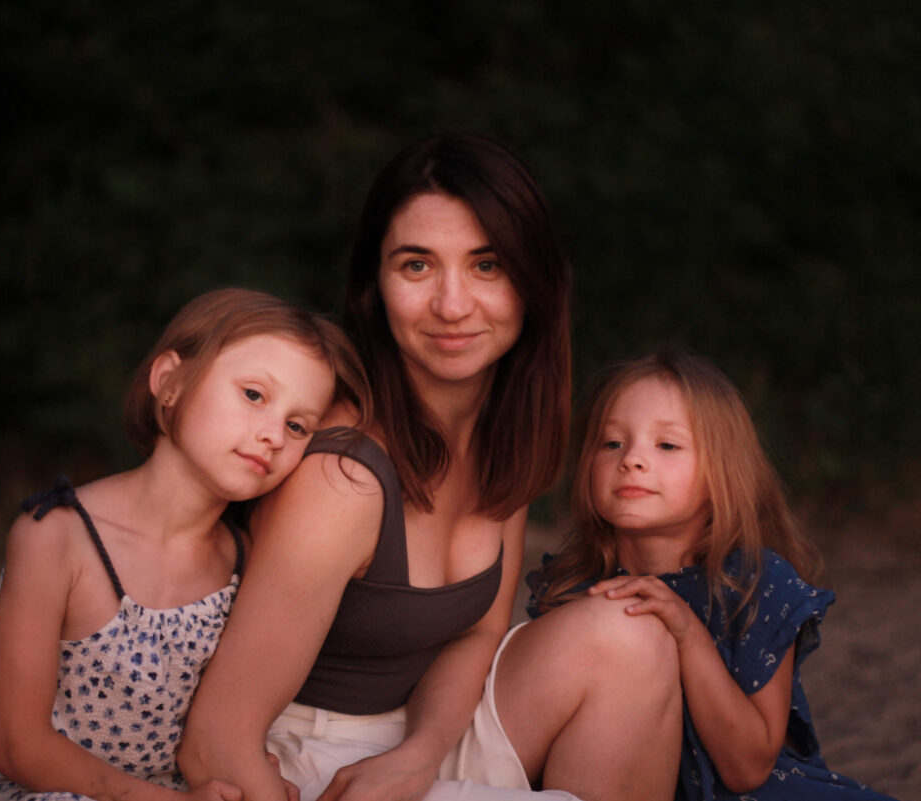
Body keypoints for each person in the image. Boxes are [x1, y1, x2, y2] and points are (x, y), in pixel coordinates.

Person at [179, 131, 682, 801]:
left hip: (425, 732)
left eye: (487, 265)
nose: (452, 304)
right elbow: (214, 741)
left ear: (533, 282)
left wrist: (420, 753)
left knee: (634, 639)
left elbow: (477, 632)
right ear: (374, 286)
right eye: (417, 266)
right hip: (306, 759)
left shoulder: (501, 431)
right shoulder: (344, 476)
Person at [0, 288, 371, 801]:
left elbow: (232, 715)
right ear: (170, 382)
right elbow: (18, 747)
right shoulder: (56, 535)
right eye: (254, 395)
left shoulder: (246, 559)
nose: (274, 434)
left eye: (298, 425)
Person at [527, 349, 900, 801]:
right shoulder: (572, 589)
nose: (632, 460)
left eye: (667, 445)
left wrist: (688, 634)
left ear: (721, 472)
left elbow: (747, 769)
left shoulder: (754, 586)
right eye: (612, 443)